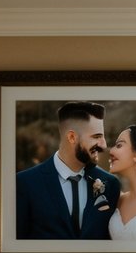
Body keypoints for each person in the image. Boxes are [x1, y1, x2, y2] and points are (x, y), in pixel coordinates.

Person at [15, 102, 121, 240]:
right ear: (72, 137)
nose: (104, 145)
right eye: (96, 137)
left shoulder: (110, 184)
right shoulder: (24, 183)